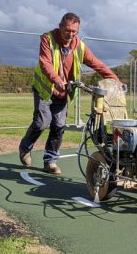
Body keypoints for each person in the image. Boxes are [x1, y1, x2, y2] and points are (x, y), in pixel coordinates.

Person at [19, 12, 120, 175]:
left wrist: (115, 80)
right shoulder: (48, 39)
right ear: (60, 27)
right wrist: (58, 80)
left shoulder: (79, 46)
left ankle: (50, 161)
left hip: (63, 93)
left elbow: (97, 64)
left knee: (59, 126)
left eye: (74, 32)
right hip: (44, 89)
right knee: (42, 122)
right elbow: (45, 63)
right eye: (68, 30)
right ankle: (25, 148)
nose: (71, 34)